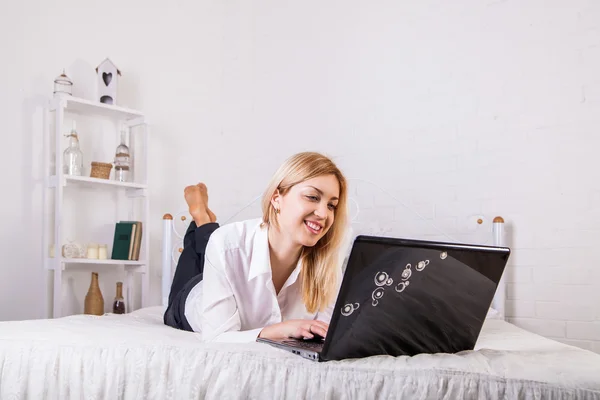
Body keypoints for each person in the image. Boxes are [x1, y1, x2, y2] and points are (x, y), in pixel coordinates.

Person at [164, 151, 350, 343]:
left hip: (228, 268)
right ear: (276, 198)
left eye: (331, 206)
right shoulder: (227, 243)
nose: (323, 213)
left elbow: (327, 333)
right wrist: (278, 330)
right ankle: (201, 219)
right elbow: (217, 337)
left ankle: (204, 220)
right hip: (195, 296)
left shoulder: (328, 262)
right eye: (312, 197)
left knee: (221, 249)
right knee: (212, 251)